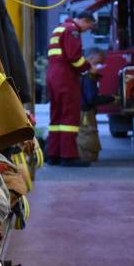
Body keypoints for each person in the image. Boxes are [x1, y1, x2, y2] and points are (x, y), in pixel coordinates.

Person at [45, 11, 96, 166]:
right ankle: (68, 156)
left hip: (53, 76)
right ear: (84, 20)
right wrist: (89, 67)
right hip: (66, 77)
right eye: (89, 26)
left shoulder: (59, 28)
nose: (87, 30)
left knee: (56, 116)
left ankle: (53, 154)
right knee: (69, 117)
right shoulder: (72, 31)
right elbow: (74, 57)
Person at [77, 50, 110, 164]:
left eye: (102, 63)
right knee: (88, 134)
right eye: (97, 63)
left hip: (83, 110)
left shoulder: (83, 75)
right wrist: (110, 99)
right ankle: (86, 156)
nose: (100, 66)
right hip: (85, 112)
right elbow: (91, 98)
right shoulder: (88, 77)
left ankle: (85, 155)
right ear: (89, 60)